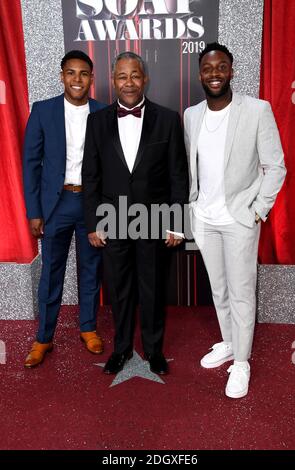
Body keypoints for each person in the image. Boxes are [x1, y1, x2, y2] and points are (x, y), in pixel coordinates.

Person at [184, 43, 286, 398]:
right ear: (200, 74)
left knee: (242, 293)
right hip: (205, 219)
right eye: (208, 68)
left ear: (231, 70)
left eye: (221, 67)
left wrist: (258, 210)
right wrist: (193, 208)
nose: (214, 74)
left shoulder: (257, 110)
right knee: (219, 288)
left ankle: (241, 362)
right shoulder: (191, 115)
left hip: (240, 218)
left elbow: (276, 166)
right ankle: (229, 342)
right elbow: (192, 168)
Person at [82, 51, 189, 375]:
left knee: (153, 287)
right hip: (113, 220)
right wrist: (94, 223)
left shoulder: (168, 119)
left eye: (135, 76)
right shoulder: (97, 121)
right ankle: (122, 348)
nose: (129, 82)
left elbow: (177, 175)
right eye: (122, 76)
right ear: (113, 81)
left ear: (145, 79)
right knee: (119, 289)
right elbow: (91, 176)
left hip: (154, 219)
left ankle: (154, 350)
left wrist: (176, 223)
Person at [23, 50, 106, 368]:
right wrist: (34, 210)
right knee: (51, 273)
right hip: (55, 206)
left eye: (83, 73)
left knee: (90, 270)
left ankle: (88, 328)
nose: (77, 79)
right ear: (62, 76)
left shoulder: (103, 112)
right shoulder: (43, 111)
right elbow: (31, 163)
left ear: (91, 79)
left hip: (90, 205)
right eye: (71, 73)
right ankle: (44, 337)